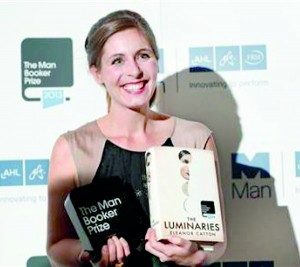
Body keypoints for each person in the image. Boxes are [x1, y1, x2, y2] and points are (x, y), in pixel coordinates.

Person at [46, 9, 227, 267]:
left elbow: (216, 240)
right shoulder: (72, 147)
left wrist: (196, 256)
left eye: (143, 56)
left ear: (156, 60)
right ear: (97, 73)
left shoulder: (195, 138)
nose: (134, 71)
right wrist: (90, 253)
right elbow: (56, 245)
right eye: (117, 60)